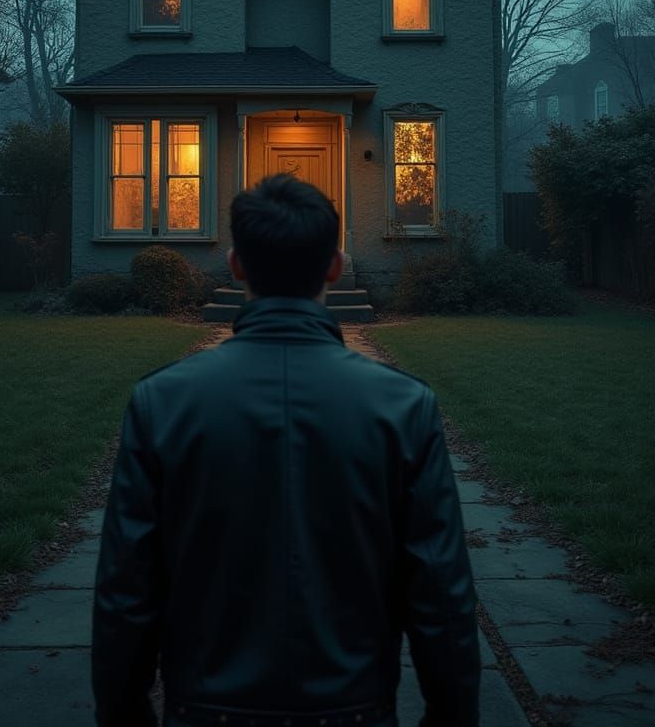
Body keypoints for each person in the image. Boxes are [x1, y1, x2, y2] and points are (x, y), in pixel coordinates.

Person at [92, 174, 480, 727]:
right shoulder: (403, 407)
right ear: (335, 266)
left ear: (236, 265)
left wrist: (124, 711)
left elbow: (126, 591)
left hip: (204, 710)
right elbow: (441, 596)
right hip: (354, 710)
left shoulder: (162, 402)